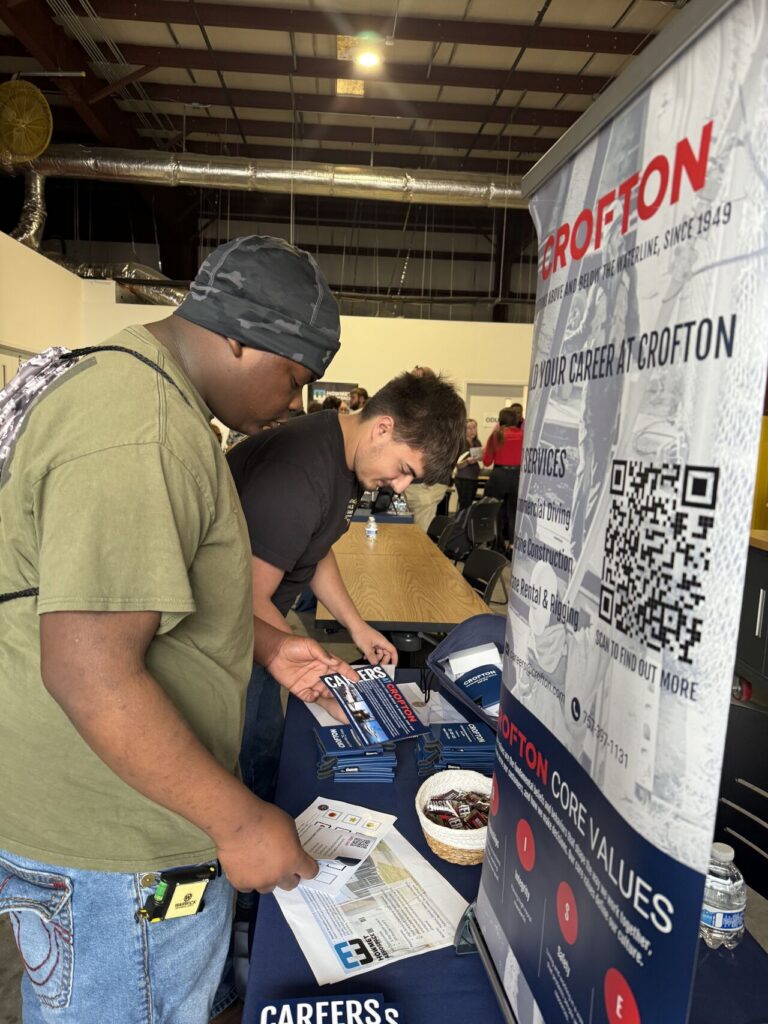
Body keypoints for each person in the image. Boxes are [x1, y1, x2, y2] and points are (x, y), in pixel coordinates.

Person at [0, 235, 352, 1024]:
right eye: (295, 377)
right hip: (118, 849)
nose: (294, 404)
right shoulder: (143, 427)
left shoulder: (138, 391)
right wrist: (239, 820)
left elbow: (145, 598)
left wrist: (268, 645)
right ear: (239, 337)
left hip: (86, 818)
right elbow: (90, 671)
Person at [227, 370, 466, 803]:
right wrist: (321, 682)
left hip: (260, 629)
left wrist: (357, 627)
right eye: (404, 470)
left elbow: (315, 548)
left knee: (268, 741)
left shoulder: (342, 457)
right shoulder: (302, 472)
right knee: (248, 759)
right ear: (383, 428)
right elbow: (245, 599)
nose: (400, 487)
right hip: (230, 637)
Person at [403, 366, 455, 530]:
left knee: (418, 538)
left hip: (425, 483)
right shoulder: (443, 406)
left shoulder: (431, 409)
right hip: (418, 482)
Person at [483, 405, 524, 549]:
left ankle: (496, 544)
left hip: (499, 476)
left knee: (495, 511)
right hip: (517, 476)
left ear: (500, 419)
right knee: (514, 512)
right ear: (516, 420)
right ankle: (513, 545)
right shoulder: (524, 435)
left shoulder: (496, 436)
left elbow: (487, 461)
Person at [454, 417, 483, 510]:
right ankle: (461, 520)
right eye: (469, 428)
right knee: (464, 505)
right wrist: (467, 461)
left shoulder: (477, 442)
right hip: (463, 478)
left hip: (473, 477)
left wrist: (481, 457)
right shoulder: (460, 443)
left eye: (474, 427)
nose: (472, 430)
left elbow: (481, 458)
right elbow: (457, 464)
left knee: (469, 505)